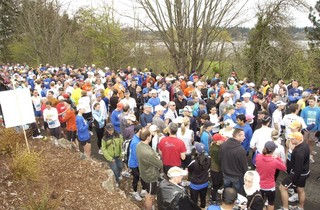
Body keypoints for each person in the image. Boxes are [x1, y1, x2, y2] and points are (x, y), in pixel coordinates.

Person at [278, 132, 310, 210]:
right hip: (305, 172)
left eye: (292, 138)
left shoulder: (299, 152)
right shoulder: (305, 145)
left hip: (298, 174)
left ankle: (285, 208)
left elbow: (297, 169)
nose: (290, 139)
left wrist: (293, 181)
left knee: (282, 187)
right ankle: (300, 207)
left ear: (297, 140)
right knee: (300, 190)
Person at [136, 129, 163, 210]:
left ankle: (147, 205)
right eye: (151, 135)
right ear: (148, 137)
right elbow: (161, 165)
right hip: (150, 177)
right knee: (150, 196)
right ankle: (148, 207)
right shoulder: (149, 153)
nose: (151, 136)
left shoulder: (139, 145)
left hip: (143, 173)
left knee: (148, 193)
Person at [256, 141, 286, 210]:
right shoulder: (274, 161)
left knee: (260, 202)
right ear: (273, 150)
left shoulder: (258, 157)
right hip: (270, 186)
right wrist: (278, 158)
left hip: (259, 185)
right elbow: (284, 168)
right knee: (271, 203)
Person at [220, 128, 247, 193]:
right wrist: (245, 175)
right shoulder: (240, 150)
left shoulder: (223, 145)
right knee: (237, 193)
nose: (244, 137)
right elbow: (244, 165)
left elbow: (220, 159)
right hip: (237, 176)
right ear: (237, 136)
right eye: (243, 135)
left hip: (226, 174)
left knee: (227, 191)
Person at [187, 142, 211, 209]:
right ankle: (203, 207)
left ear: (196, 150)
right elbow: (208, 168)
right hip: (205, 183)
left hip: (195, 185)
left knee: (194, 201)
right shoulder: (208, 159)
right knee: (203, 198)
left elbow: (189, 170)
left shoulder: (194, 162)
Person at [128, 124, 146, 202]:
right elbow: (136, 156)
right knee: (136, 177)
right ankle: (135, 192)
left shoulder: (138, 139)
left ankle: (143, 189)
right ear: (139, 131)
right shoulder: (135, 142)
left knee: (141, 176)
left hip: (137, 163)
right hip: (134, 164)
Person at [300, 96, 320, 163]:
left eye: (311, 102)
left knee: (311, 143)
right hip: (305, 129)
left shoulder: (318, 110)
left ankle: (310, 155)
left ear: (315, 101)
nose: (310, 103)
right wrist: (302, 128)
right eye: (309, 102)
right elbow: (301, 119)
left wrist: (319, 130)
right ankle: (302, 155)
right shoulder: (305, 109)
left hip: (314, 129)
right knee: (303, 142)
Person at [209, 133, 227, 204]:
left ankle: (213, 192)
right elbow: (218, 161)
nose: (223, 141)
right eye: (221, 140)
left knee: (220, 182)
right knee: (216, 184)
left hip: (218, 169)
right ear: (217, 141)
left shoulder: (216, 146)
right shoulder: (215, 150)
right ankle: (213, 198)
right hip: (215, 169)